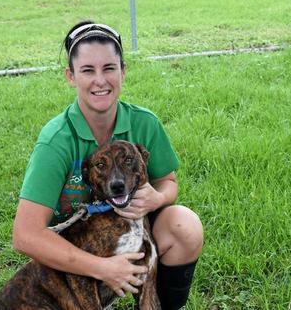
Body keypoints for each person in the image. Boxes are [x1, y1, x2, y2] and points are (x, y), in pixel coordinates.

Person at [13, 21, 204, 309]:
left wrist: (158, 197)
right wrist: (102, 268)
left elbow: (169, 182)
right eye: (88, 70)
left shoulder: (144, 123)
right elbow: (25, 236)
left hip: (128, 234)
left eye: (109, 68)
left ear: (123, 71)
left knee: (184, 225)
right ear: (71, 76)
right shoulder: (57, 140)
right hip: (73, 257)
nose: (100, 81)